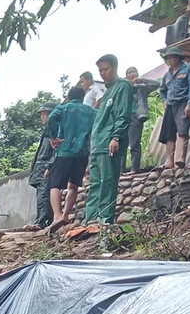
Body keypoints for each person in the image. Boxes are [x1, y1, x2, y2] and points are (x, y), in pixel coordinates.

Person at [85, 54, 133, 225]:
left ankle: (104, 220)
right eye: (100, 70)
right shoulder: (107, 91)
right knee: (95, 183)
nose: (103, 73)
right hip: (97, 144)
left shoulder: (123, 87)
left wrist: (116, 137)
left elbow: (122, 114)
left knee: (108, 181)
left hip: (110, 142)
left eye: (106, 69)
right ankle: (90, 220)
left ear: (115, 67)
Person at [46, 86, 94, 232]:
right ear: (83, 97)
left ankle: (57, 216)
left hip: (64, 151)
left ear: (69, 96)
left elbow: (51, 118)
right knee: (73, 186)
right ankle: (66, 215)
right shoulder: (91, 111)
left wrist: (53, 137)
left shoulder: (63, 108)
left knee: (54, 184)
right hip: (82, 153)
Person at [158, 47, 190, 169]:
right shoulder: (167, 75)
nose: (171, 60)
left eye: (173, 57)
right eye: (169, 58)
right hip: (170, 105)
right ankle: (169, 161)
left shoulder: (189, 68)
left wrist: (189, 104)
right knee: (168, 134)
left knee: (182, 130)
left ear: (178, 58)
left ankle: (181, 158)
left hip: (183, 102)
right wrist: (164, 101)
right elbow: (162, 90)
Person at [28, 105, 57, 228]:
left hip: (46, 165)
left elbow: (56, 150)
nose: (42, 117)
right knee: (42, 194)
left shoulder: (55, 130)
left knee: (43, 195)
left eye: (44, 114)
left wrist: (49, 166)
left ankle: (41, 222)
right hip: (40, 167)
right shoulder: (47, 131)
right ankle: (45, 221)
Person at [125, 66, 157, 172]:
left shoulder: (142, 87)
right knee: (122, 144)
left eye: (134, 72)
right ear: (126, 76)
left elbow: (157, 84)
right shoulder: (124, 88)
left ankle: (134, 168)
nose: (132, 74)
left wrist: (141, 80)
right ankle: (121, 169)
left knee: (134, 143)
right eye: (129, 72)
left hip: (136, 116)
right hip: (123, 117)